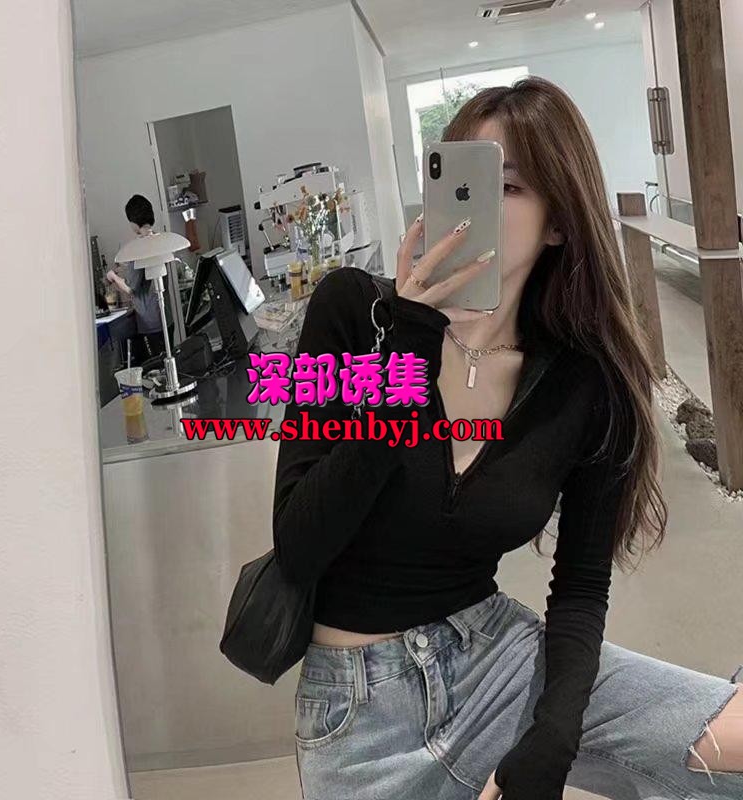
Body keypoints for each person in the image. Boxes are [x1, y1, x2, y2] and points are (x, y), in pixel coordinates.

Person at [272, 77, 743, 800]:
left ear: (559, 222)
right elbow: (301, 544)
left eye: (509, 186)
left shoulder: (585, 382)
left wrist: (553, 738)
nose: (474, 208)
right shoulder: (352, 315)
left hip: (498, 663)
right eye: (461, 181)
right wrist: (408, 350)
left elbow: (580, 588)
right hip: (359, 715)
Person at [106, 194, 168, 365]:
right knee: (167, 360)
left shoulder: (138, 248)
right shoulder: (161, 240)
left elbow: (131, 288)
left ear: (133, 221)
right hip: (165, 316)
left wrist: (113, 277)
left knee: (155, 367)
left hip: (150, 320)